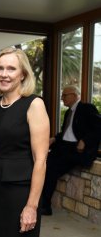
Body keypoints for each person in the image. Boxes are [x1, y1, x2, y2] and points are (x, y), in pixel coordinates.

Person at [0, 47, 50, 237]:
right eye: (0, 68)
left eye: (11, 69)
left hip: (20, 191)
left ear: (23, 75)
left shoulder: (34, 104)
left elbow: (40, 160)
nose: (4, 74)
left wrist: (32, 205)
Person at [41, 86, 101, 215]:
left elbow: (98, 127)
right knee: (42, 162)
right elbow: (66, 133)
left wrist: (85, 141)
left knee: (51, 168)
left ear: (74, 95)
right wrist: (54, 138)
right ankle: (38, 200)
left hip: (76, 150)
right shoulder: (69, 112)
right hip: (64, 147)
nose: (62, 98)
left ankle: (45, 206)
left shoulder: (86, 108)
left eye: (64, 95)